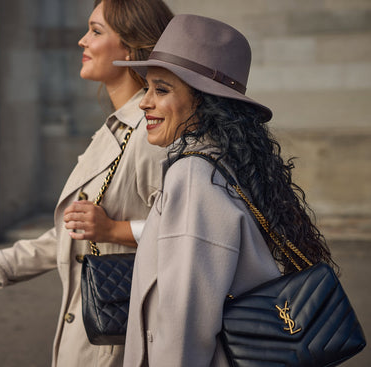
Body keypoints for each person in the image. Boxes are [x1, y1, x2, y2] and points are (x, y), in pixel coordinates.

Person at [0, 1, 173, 366]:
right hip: (95, 332)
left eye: (96, 31)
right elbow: (75, 230)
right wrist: (2, 265)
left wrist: (114, 229)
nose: (82, 41)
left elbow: (186, 231)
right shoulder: (116, 128)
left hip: (120, 344)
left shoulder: (149, 133)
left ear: (131, 48)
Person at [114, 14, 337, 366]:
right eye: (148, 88)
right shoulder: (230, 163)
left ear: (204, 101)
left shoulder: (192, 176)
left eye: (162, 89)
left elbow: (183, 321)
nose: (144, 102)